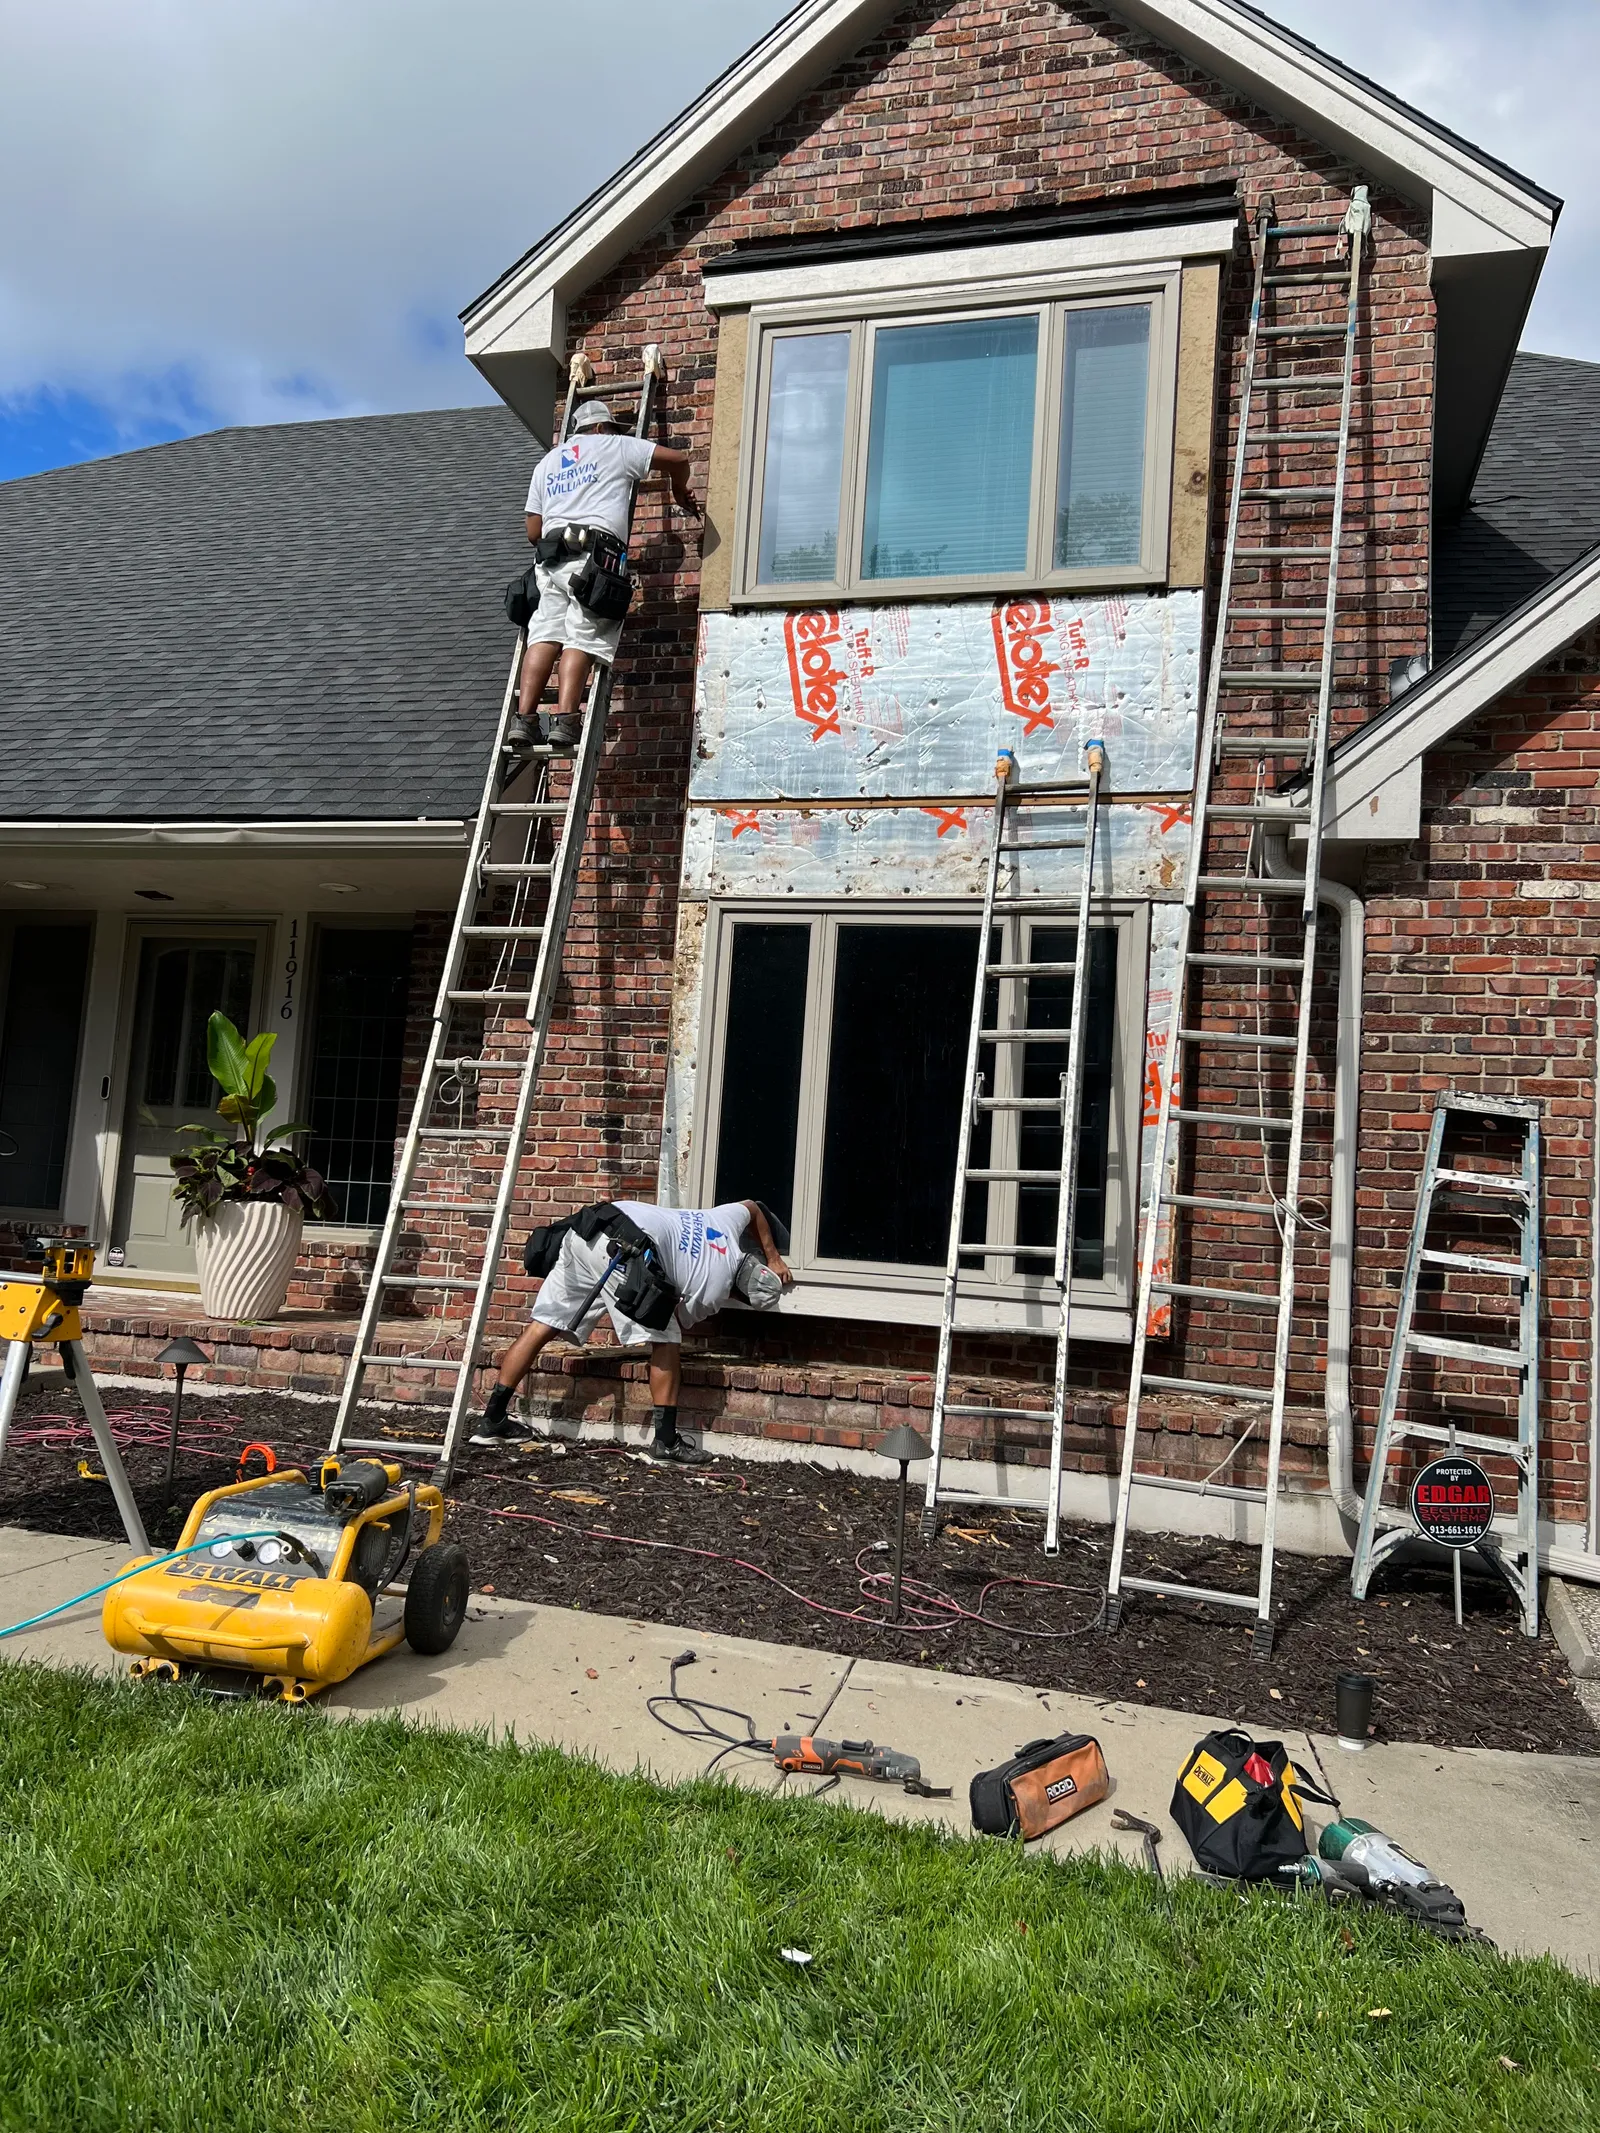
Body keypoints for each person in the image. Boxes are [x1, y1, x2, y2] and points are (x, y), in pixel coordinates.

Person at [470, 1198, 792, 1461]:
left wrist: (773, 1256)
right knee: (666, 1339)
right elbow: (676, 1317)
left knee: (543, 1326)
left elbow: (754, 1208)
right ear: (742, 1296)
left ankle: (493, 1418)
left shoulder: (727, 1221)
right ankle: (666, 1442)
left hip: (593, 1227)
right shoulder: (717, 1288)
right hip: (626, 1251)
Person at [509, 400, 699, 748]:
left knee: (544, 635)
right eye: (610, 428)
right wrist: (676, 487)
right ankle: (566, 720)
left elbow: (532, 531)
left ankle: (525, 720)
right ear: (600, 428)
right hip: (594, 558)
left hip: (550, 560)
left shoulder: (547, 463)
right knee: (581, 637)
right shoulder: (615, 446)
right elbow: (679, 460)